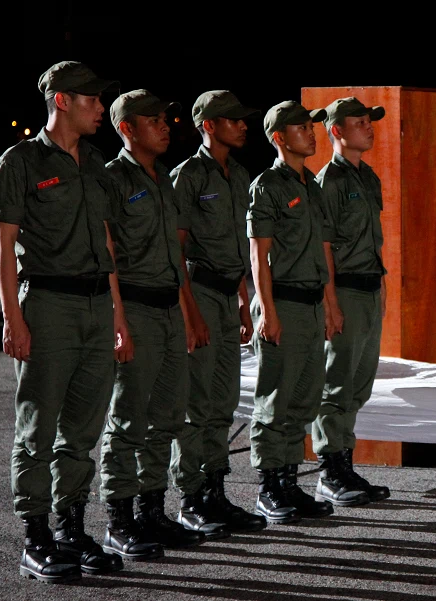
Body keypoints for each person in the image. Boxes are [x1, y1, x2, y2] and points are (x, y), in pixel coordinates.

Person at [0, 60, 125, 583]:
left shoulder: (95, 164)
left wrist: (116, 313)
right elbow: (3, 246)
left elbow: (108, 245)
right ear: (63, 101)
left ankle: (71, 528)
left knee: (82, 430)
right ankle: (36, 537)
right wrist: (12, 318)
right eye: (92, 100)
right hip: (47, 305)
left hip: (95, 306)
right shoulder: (20, 162)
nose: (100, 109)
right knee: (37, 429)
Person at [98, 89, 205, 561]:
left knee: (166, 417)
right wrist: (118, 319)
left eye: (166, 120)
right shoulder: (112, 180)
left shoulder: (162, 178)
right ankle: (119, 521)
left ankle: (152, 511)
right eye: (154, 121)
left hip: (166, 309)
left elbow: (175, 257)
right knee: (128, 420)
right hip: (136, 309)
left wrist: (186, 314)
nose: (165, 127)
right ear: (126, 129)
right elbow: (109, 259)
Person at [170, 90, 266, 536]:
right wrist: (190, 314)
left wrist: (245, 300)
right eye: (233, 120)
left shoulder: (240, 173)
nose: (243, 125)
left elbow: (239, 249)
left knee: (224, 403)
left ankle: (215, 493)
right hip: (200, 293)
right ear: (208, 125)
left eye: (243, 119)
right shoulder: (187, 176)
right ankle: (190, 498)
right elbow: (178, 250)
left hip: (229, 296)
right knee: (197, 404)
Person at [247, 101, 336, 522]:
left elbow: (323, 250)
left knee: (303, 397)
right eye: (301, 128)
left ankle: (288, 482)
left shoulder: (312, 186)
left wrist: (331, 304)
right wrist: (267, 310)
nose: (312, 133)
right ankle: (268, 487)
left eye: (312, 127)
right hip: (282, 301)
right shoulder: (268, 185)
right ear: (280, 137)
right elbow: (258, 256)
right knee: (275, 400)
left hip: (311, 303)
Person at [313, 97, 392, 506]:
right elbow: (323, 246)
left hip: (368, 289)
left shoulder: (367, 178)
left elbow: (373, 241)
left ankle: (344, 463)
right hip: (342, 289)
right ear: (337, 131)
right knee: (337, 382)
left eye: (370, 121)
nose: (369, 127)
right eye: (360, 122)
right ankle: (329, 471)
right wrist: (330, 303)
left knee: (358, 383)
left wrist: (382, 289)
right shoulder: (328, 181)